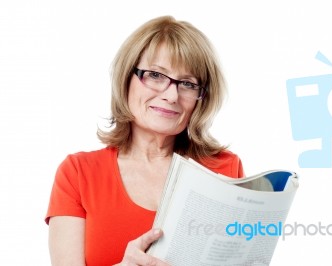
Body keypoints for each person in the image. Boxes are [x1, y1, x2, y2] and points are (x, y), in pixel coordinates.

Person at [45, 15, 244, 266]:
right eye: (155, 75)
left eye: (187, 83)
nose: (172, 95)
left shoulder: (224, 169)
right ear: (126, 78)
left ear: (201, 97)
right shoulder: (78, 173)